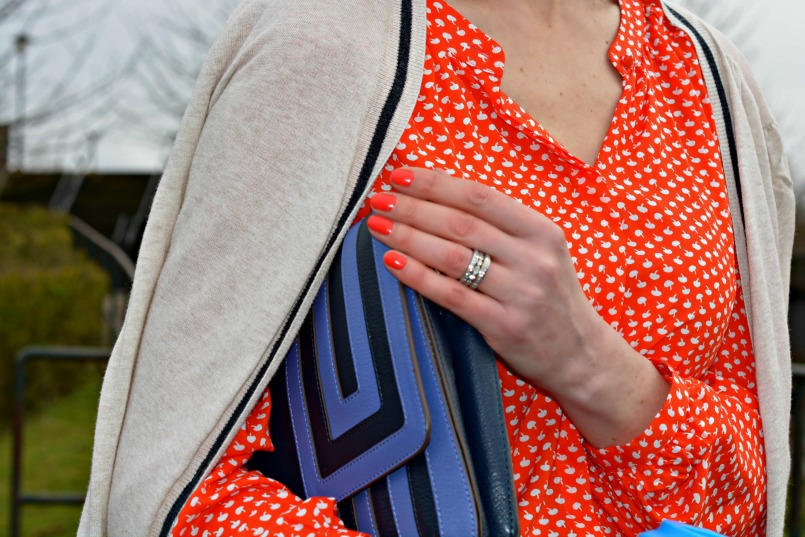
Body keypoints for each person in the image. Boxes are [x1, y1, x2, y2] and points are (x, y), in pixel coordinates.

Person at [78, 0, 795, 536]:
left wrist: (595, 370)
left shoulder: (706, 80)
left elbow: (750, 488)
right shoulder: (321, 48)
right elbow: (183, 493)